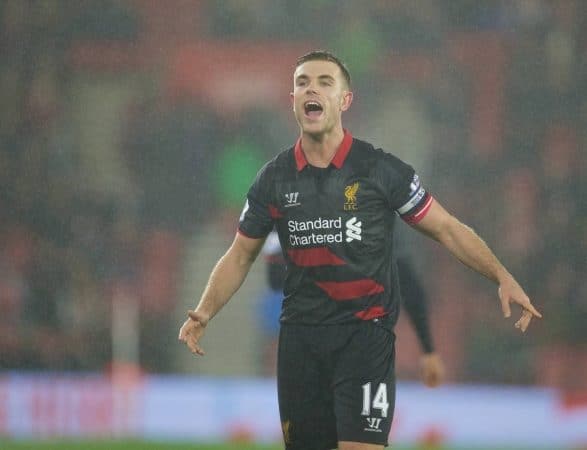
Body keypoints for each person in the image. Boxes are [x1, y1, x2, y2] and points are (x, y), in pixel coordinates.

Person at [179, 50, 542, 450]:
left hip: (364, 339)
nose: (311, 89)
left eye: (324, 82)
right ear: (293, 99)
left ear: (345, 100)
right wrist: (205, 310)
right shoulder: (273, 179)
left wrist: (501, 275)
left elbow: (447, 229)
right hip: (301, 342)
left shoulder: (380, 170)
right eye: (302, 83)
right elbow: (240, 255)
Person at [260, 227, 445, 386]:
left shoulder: (374, 201)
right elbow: (275, 277)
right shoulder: (292, 196)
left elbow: (404, 277)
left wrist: (428, 349)